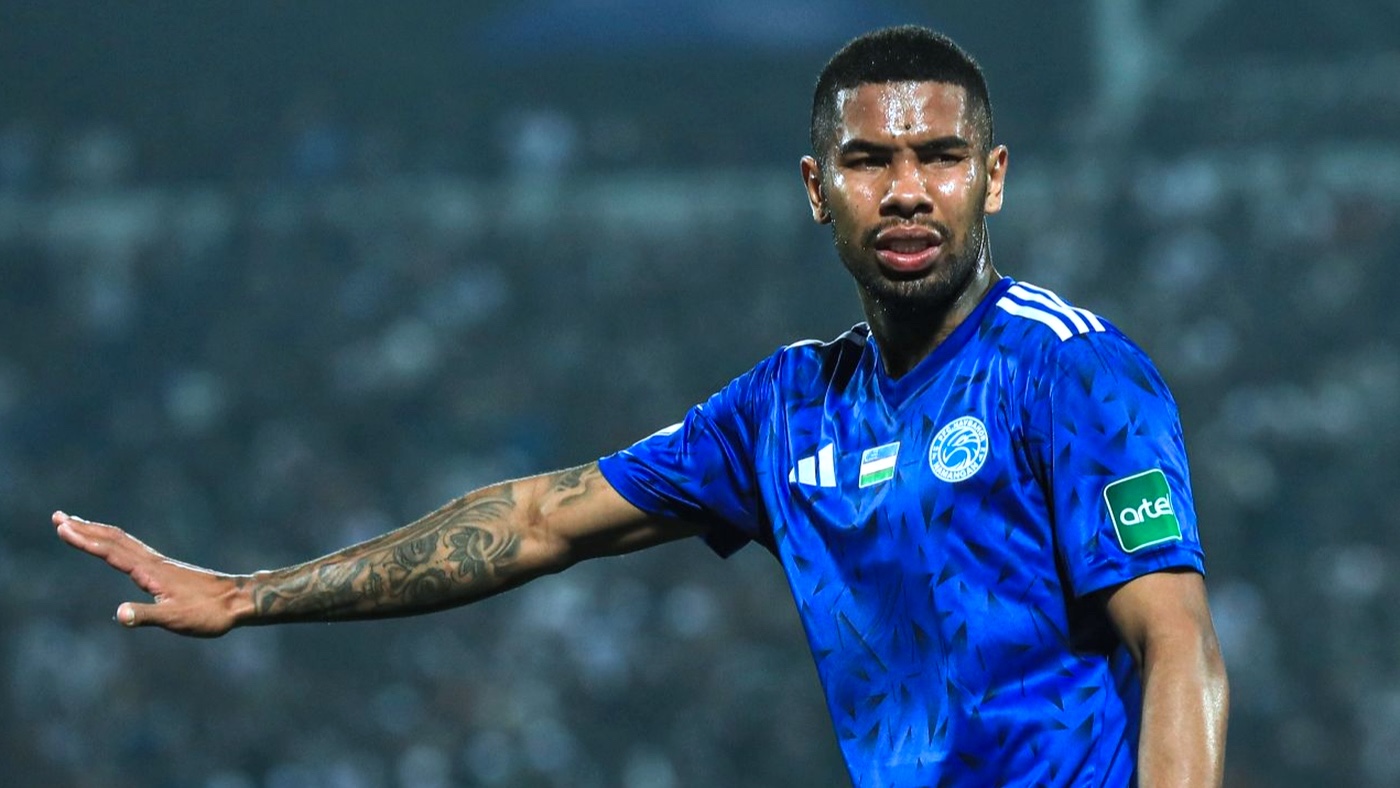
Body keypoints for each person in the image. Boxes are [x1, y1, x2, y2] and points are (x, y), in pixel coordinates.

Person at [53, 25, 1228, 787]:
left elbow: (1175, 641)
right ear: (816, 189)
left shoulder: (1072, 373)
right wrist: (249, 593)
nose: (908, 189)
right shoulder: (785, 409)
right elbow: (534, 521)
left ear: (994, 177)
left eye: (942, 157)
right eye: (869, 160)